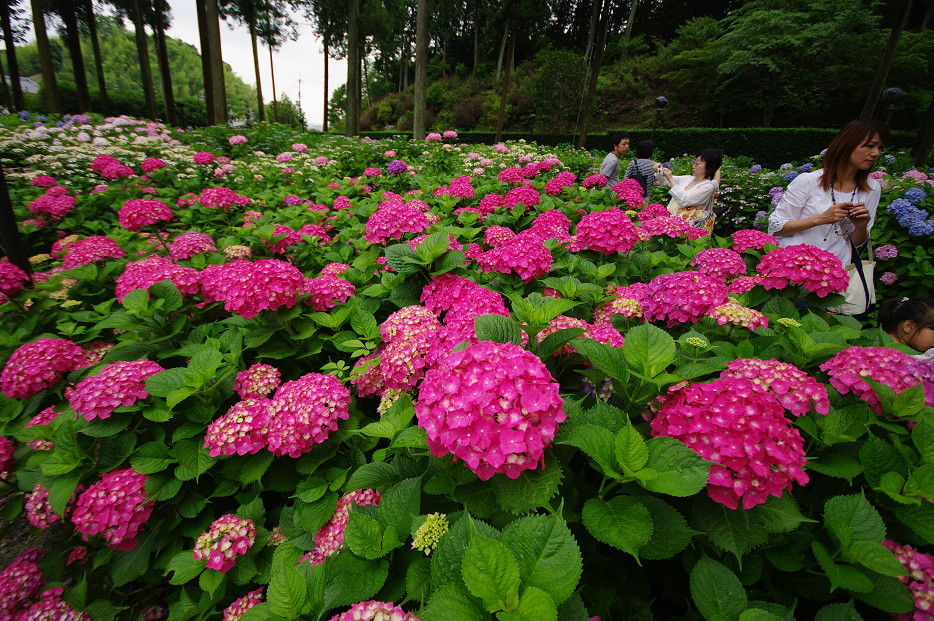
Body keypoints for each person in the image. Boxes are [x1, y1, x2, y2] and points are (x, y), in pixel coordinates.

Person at [768, 119, 888, 268]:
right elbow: (776, 228)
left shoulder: (871, 188)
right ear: (847, 144)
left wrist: (861, 227)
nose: (876, 153)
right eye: (870, 146)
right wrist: (821, 219)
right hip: (792, 268)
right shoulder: (809, 181)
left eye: (880, 147)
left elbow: (855, 243)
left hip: (834, 272)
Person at [654, 148, 723, 233]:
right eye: (694, 163)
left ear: (709, 167)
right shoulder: (688, 178)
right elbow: (664, 181)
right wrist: (659, 170)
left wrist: (671, 179)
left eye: (698, 163)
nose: (694, 166)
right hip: (671, 222)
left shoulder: (708, 187)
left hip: (687, 229)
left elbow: (685, 201)